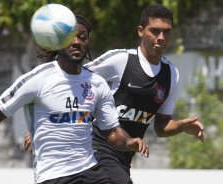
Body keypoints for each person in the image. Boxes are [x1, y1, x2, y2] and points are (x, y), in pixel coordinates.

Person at [0, 15, 149, 184]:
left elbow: (112, 132)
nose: (77, 41)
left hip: (89, 170)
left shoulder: (97, 84)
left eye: (82, 37)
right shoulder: (39, 78)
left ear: (87, 43)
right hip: (53, 176)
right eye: (70, 37)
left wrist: (131, 141)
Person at [24, 4, 205, 184]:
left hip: (123, 156)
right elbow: (72, 78)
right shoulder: (121, 60)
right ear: (141, 31)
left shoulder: (171, 74)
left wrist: (180, 126)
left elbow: (161, 126)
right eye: (155, 31)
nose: (161, 37)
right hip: (97, 146)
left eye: (167, 32)